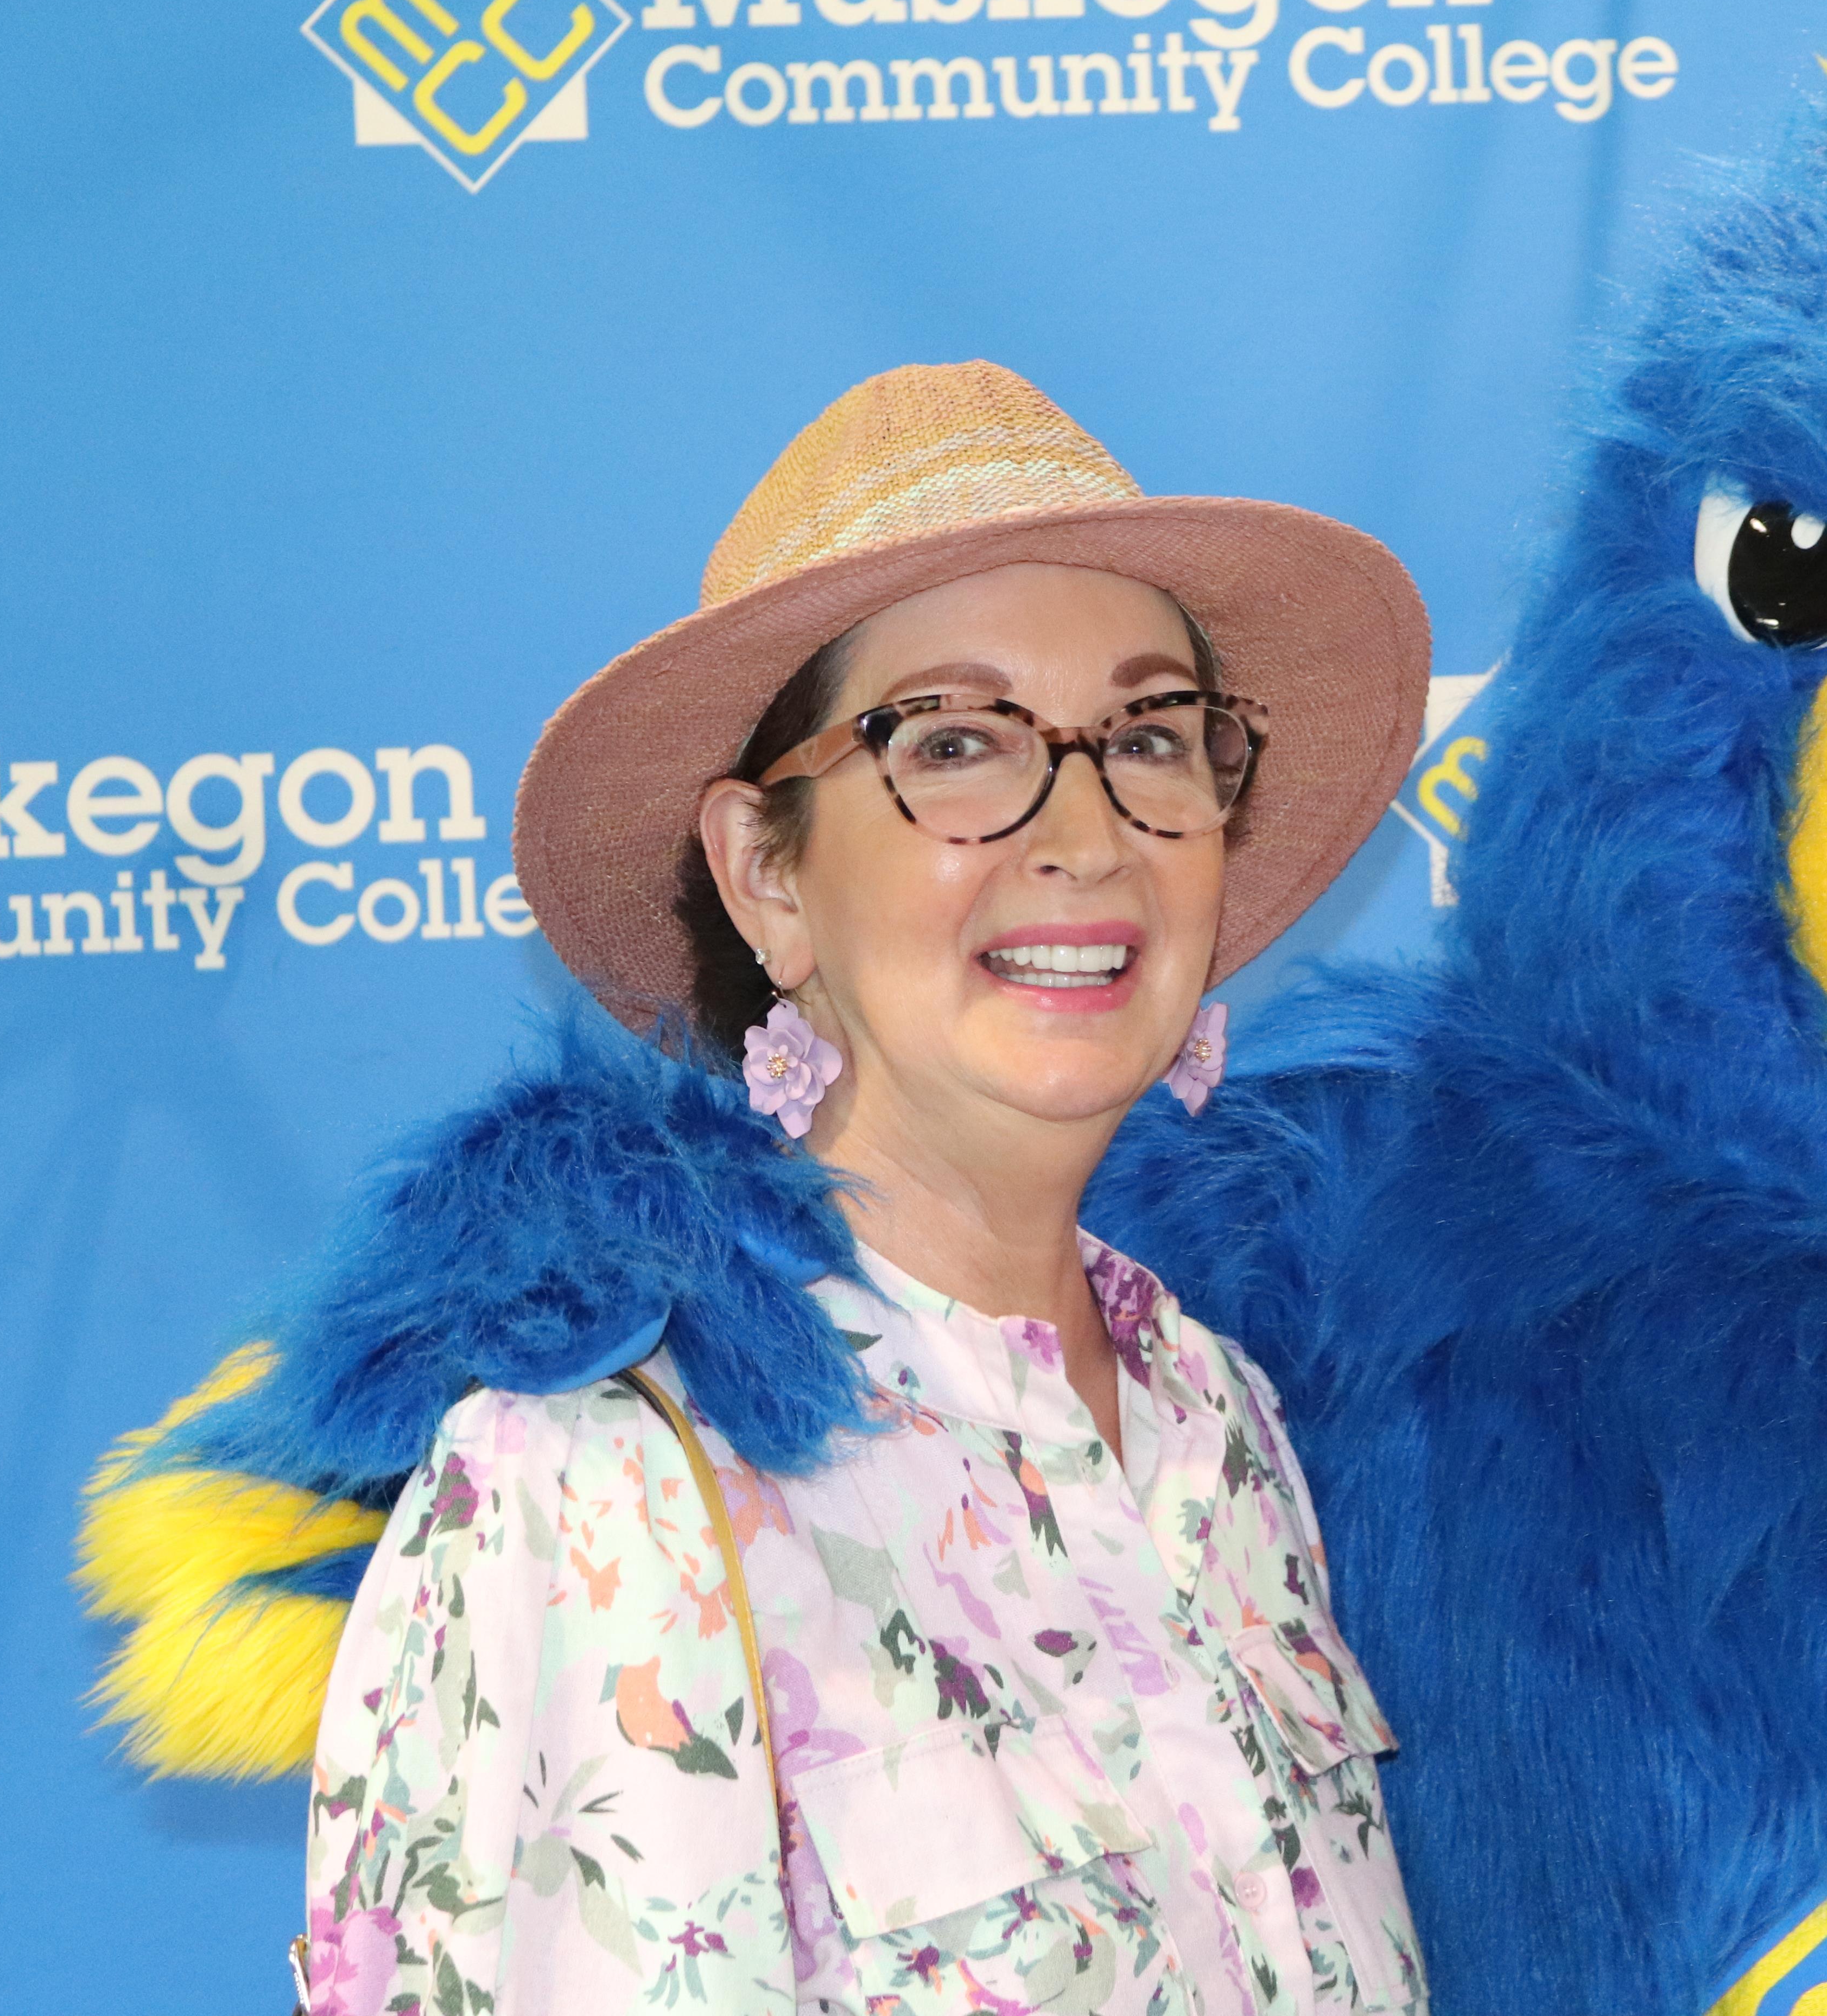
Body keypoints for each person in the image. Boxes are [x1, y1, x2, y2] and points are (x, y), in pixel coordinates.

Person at [256, 361, 1432, 2013]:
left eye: (1153, 737)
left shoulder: (1216, 1419)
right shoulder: (605, 1470)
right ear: (766, 875)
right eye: (954, 744)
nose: (1087, 834)